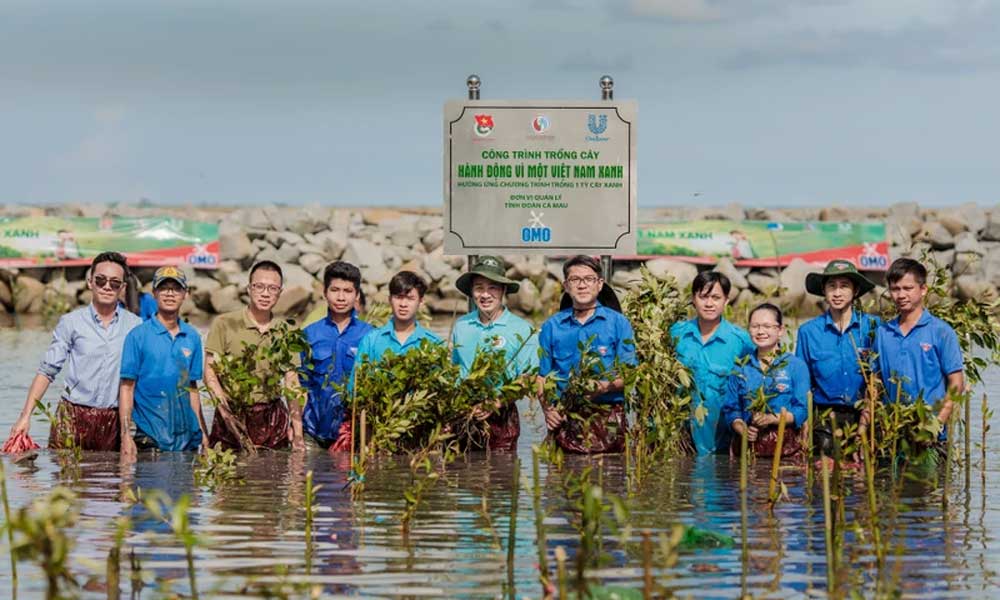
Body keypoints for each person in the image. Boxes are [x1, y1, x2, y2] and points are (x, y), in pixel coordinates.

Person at [8, 252, 142, 450]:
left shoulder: (135, 326)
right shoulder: (71, 322)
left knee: (110, 477)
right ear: (90, 282)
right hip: (72, 416)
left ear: (122, 288)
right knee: (64, 478)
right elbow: (47, 371)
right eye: (100, 280)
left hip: (113, 419)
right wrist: (25, 417)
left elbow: (139, 380)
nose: (107, 286)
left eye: (114, 283)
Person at [537, 255, 637, 454]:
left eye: (588, 279)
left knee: (610, 480)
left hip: (608, 417)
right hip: (566, 416)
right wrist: (548, 410)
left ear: (599, 284)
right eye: (575, 280)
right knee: (561, 480)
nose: (582, 285)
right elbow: (541, 377)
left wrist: (604, 387)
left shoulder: (618, 323)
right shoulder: (552, 326)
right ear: (566, 285)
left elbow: (630, 375)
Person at [203, 260, 305, 451]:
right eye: (259, 286)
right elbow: (209, 372)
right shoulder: (224, 323)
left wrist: (298, 433)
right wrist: (225, 413)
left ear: (280, 292)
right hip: (232, 412)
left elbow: (292, 382)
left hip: (272, 417)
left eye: (272, 288)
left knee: (273, 474)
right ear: (249, 288)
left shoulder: (287, 330)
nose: (265, 293)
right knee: (228, 475)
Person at [119, 267, 209, 457]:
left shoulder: (192, 337)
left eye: (176, 288)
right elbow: (127, 388)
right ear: (154, 294)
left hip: (187, 440)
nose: (169, 293)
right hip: (150, 439)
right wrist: (125, 435)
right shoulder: (137, 336)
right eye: (164, 288)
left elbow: (192, 388)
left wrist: (203, 433)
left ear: (185, 294)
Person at [452, 256, 539, 451]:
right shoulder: (461, 325)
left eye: (492, 288)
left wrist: (496, 402)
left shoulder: (523, 329)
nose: (485, 295)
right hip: (465, 411)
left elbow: (529, 378)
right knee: (461, 473)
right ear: (472, 292)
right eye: (479, 288)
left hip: (502, 413)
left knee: (502, 475)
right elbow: (455, 371)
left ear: (504, 290)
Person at [796, 260, 881, 456]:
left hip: (864, 412)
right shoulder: (808, 332)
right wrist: (805, 424)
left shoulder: (874, 327)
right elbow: (803, 384)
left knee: (863, 477)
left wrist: (863, 426)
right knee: (821, 476)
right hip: (825, 416)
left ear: (855, 290)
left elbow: (876, 380)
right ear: (824, 291)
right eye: (831, 286)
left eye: (844, 286)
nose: (837, 293)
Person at [874, 258, 964, 438]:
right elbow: (875, 384)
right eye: (895, 289)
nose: (901, 295)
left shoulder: (941, 331)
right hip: (892, 434)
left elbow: (956, 384)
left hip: (931, 433)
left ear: (923, 290)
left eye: (908, 288)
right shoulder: (883, 333)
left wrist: (936, 425)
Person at [670, 271, 754, 455]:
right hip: (681, 441)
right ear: (693, 299)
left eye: (716, 297)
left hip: (722, 442)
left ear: (726, 300)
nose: (709, 304)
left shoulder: (741, 341)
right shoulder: (676, 333)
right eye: (703, 297)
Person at [300, 262, 373, 450]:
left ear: (357, 295)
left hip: (352, 434)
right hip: (312, 433)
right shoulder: (309, 334)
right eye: (335, 290)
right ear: (325, 293)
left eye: (348, 291)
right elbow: (300, 386)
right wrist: (296, 431)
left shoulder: (371, 336)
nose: (341, 297)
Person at [723, 303, 809, 459]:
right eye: (755, 326)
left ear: (780, 330)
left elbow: (802, 410)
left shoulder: (796, 366)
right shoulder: (741, 367)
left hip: (785, 448)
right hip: (747, 447)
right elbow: (731, 409)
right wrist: (742, 428)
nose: (761, 331)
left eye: (767, 326)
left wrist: (772, 419)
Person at [353, 271, 442, 368]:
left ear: (421, 302)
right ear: (390, 299)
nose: (403, 304)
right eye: (398, 297)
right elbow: (357, 381)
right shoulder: (371, 340)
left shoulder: (434, 343)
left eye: (410, 298)